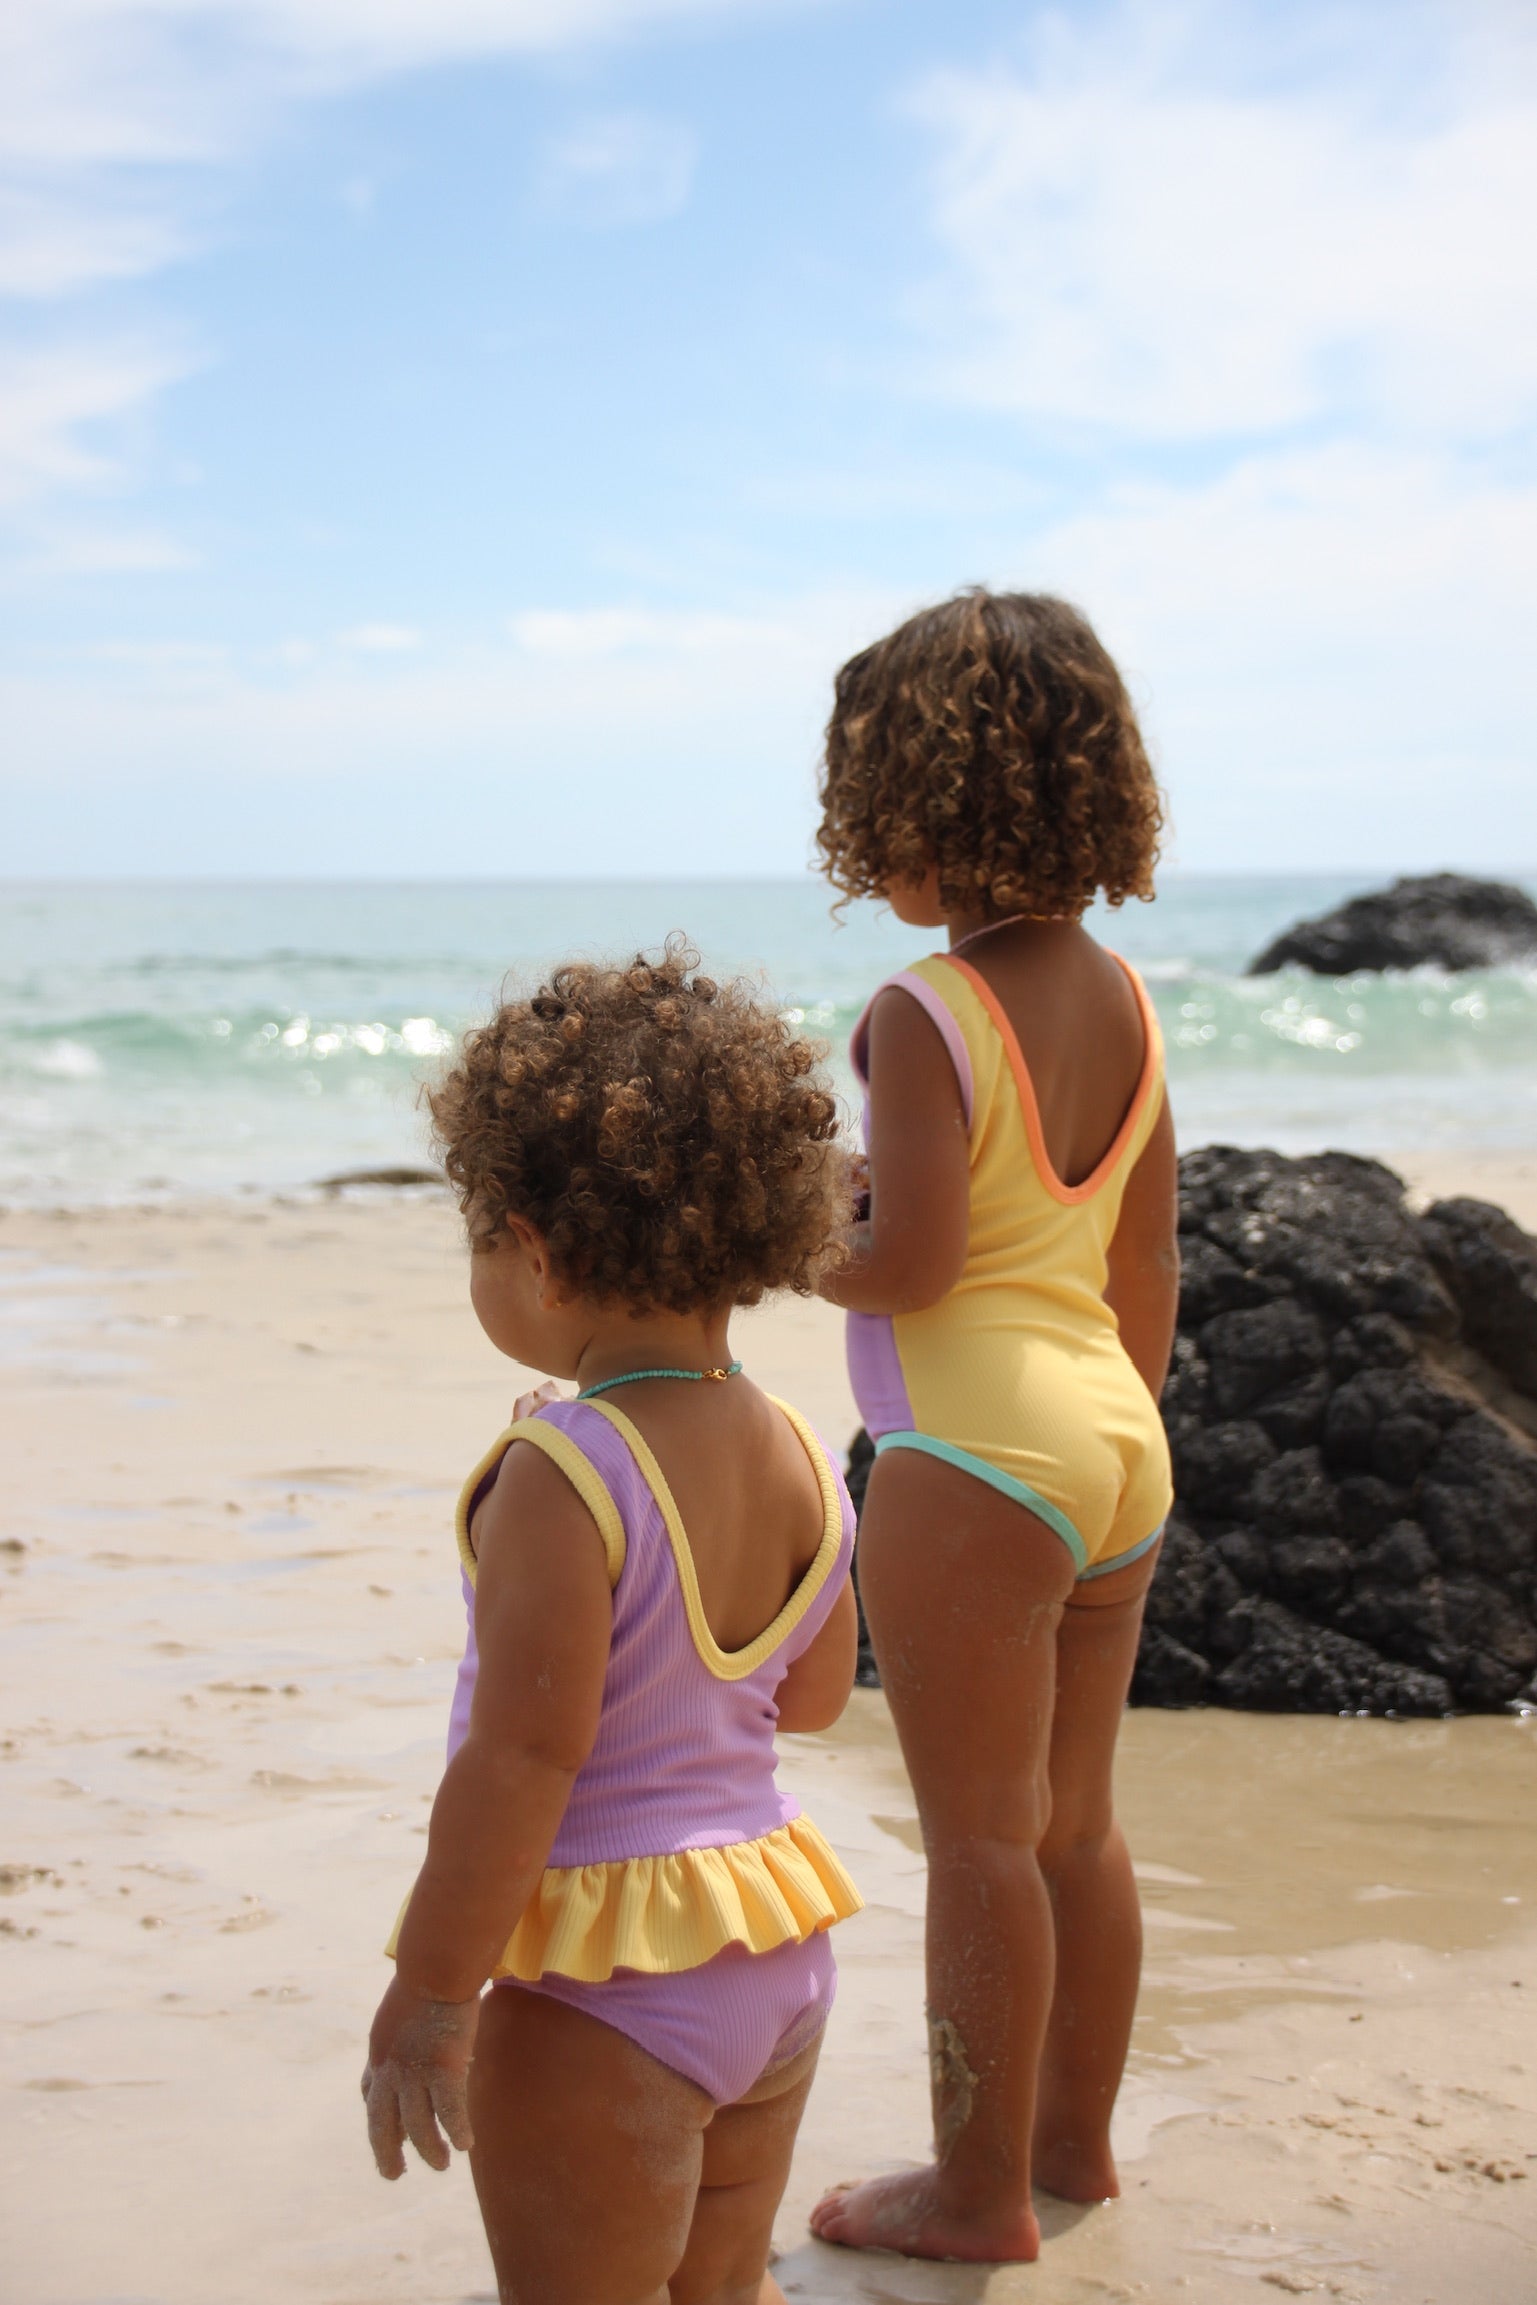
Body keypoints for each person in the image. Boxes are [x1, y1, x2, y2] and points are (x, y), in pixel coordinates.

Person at [362, 944, 863, 2305]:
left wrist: (429, 1989)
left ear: (533, 1249)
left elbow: (523, 1760)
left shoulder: (565, 1469)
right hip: (772, 1942)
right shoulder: (803, 1450)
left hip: (608, 1976)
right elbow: (811, 1694)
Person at [807, 589, 1178, 2264]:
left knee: (974, 1837)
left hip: (973, 1457)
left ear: (911, 807)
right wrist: (1110, 1441)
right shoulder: (1124, 998)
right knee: (1072, 1822)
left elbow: (912, 1264)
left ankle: (971, 2194)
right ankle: (1070, 2147)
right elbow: (1143, 1253)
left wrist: (799, 1228)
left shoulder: (918, 1012)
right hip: (1112, 1436)